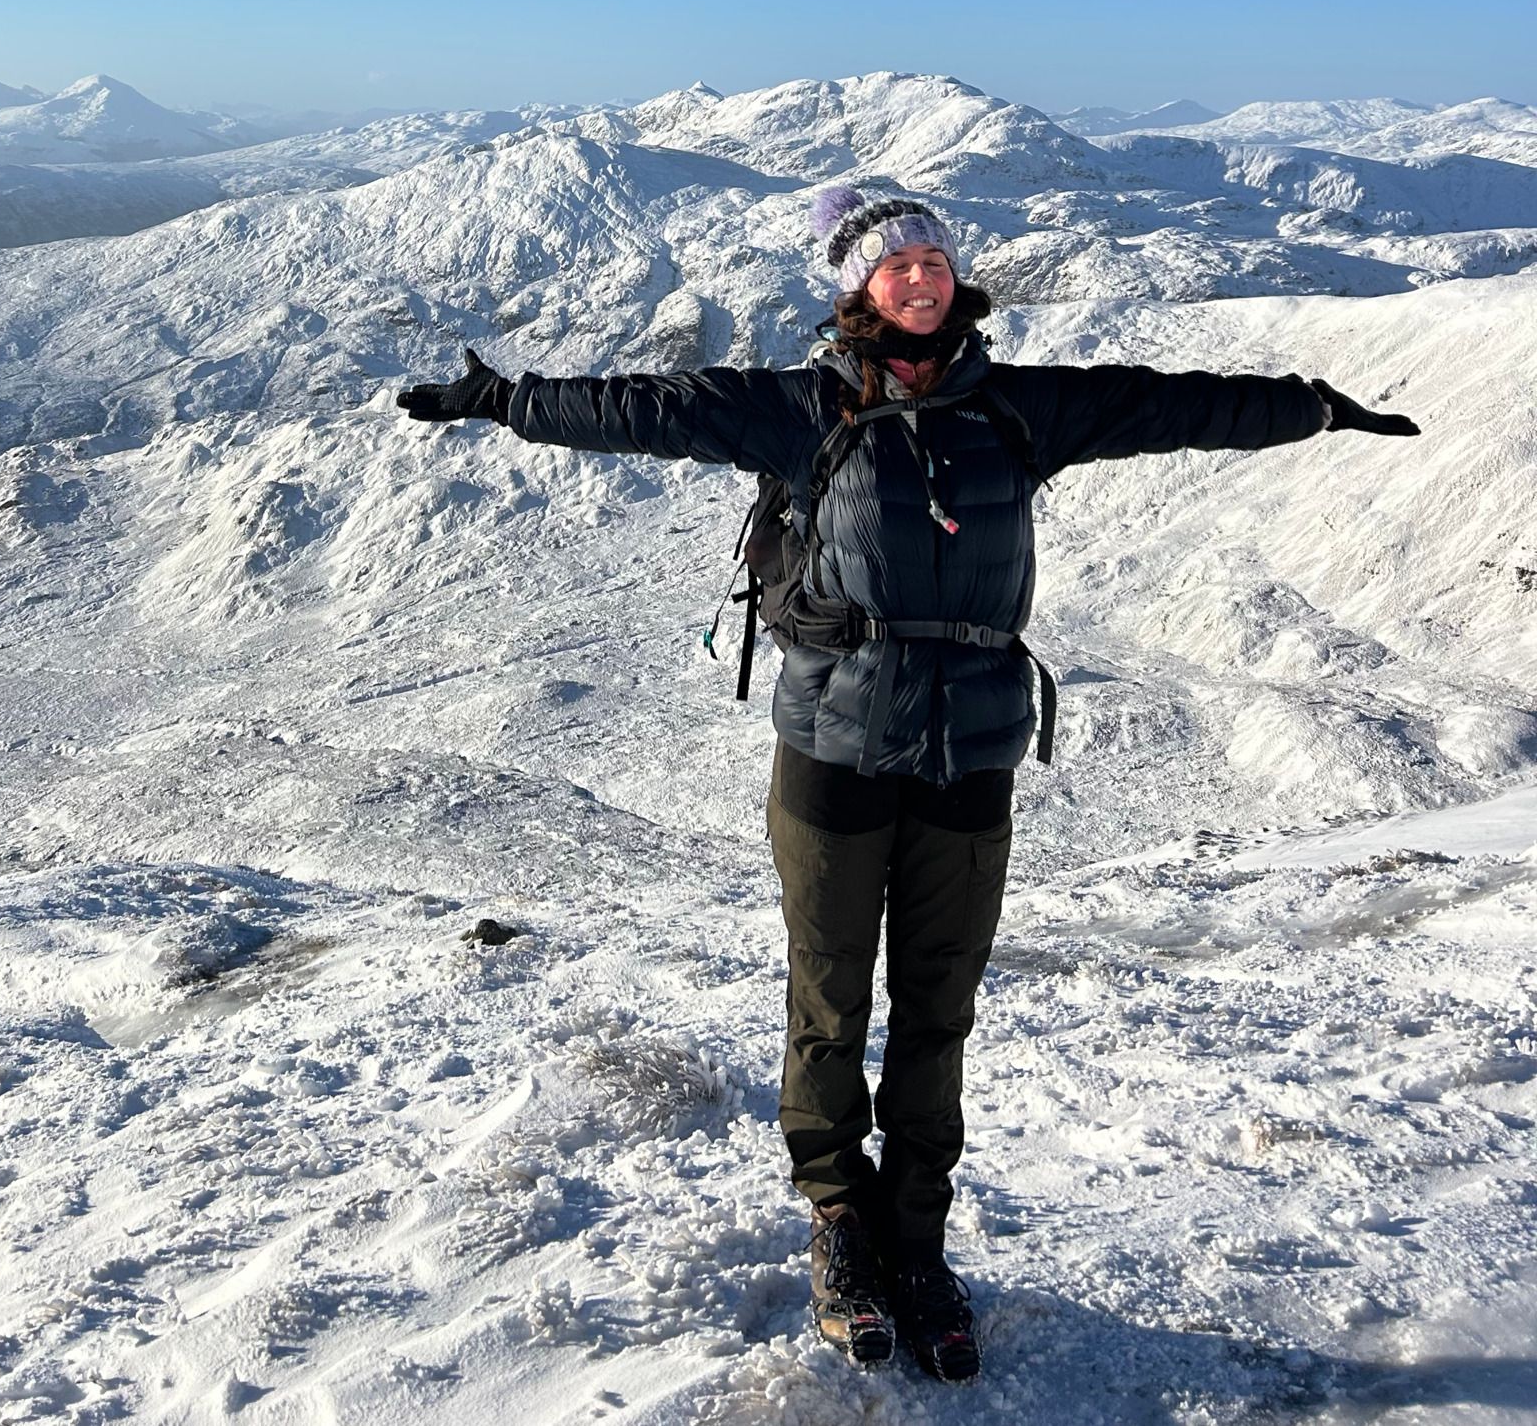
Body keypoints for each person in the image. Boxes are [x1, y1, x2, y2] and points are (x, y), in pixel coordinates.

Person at [398, 187, 1420, 1383]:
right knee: (829, 1003)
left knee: (937, 1013)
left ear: (955, 277)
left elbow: (1164, 401)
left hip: (966, 764)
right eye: (895, 268)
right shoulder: (801, 407)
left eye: (931, 260)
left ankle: (919, 1242)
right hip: (831, 756)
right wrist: (506, 399)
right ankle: (839, 1221)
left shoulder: (1020, 408)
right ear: (858, 289)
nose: (919, 280)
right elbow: (647, 406)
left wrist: (1307, 409)